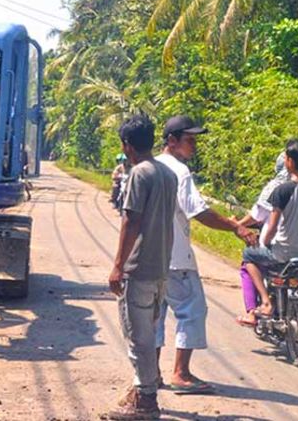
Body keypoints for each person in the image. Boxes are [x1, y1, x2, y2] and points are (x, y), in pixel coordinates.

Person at [153, 115, 258, 394]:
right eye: (190, 140)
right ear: (172, 141)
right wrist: (236, 227)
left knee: (155, 315)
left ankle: (151, 374)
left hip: (151, 259)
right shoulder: (179, 171)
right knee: (192, 311)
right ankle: (181, 373)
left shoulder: (148, 167)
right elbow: (198, 212)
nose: (194, 147)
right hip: (177, 259)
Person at [106, 115, 177, 420]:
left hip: (139, 267)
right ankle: (141, 391)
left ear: (127, 145)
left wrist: (118, 265)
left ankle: (146, 401)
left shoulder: (139, 174)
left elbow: (131, 221)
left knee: (139, 337)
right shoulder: (167, 173)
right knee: (148, 330)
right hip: (161, 267)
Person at [238, 138, 298, 326]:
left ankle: (266, 303)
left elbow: (271, 228)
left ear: (288, 161)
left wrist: (264, 243)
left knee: (248, 256)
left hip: (283, 254)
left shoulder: (282, 190)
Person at [233, 152, 289, 321]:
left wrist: (238, 225)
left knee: (248, 258)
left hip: (280, 248)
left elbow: (259, 215)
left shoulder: (277, 187)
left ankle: (259, 307)